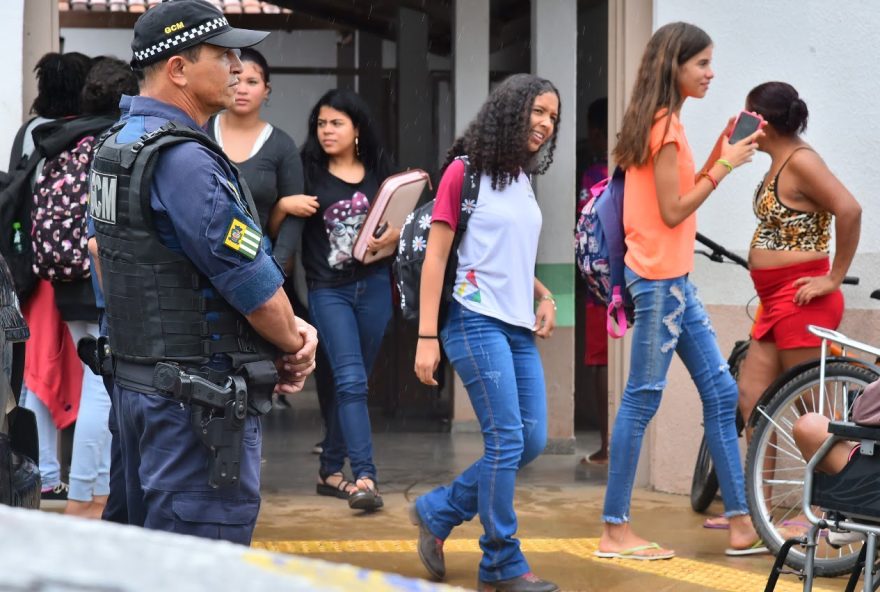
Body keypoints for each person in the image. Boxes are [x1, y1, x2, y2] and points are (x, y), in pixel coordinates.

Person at [91, 0, 316, 544]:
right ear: (178, 68)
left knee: (142, 559)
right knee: (197, 562)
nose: (238, 67)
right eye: (224, 54)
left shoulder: (116, 147)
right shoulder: (185, 160)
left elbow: (102, 256)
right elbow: (254, 286)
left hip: (138, 388)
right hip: (194, 409)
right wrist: (293, 341)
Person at [594, 22, 764, 560]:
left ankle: (740, 522)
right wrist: (724, 168)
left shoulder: (663, 122)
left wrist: (721, 149)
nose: (711, 74)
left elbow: (668, 197)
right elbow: (673, 211)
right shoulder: (663, 127)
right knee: (641, 402)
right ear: (675, 66)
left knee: (718, 394)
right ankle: (615, 530)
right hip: (661, 280)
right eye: (702, 64)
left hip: (672, 279)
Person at [412, 73, 561, 592]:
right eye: (538, 111)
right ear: (510, 110)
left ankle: (438, 509)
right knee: (505, 440)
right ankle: (500, 558)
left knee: (532, 439)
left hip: (517, 324)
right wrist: (427, 338)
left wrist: (544, 294)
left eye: (552, 118)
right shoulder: (463, 173)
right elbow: (437, 257)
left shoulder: (520, 179)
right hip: (473, 320)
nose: (545, 124)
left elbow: (506, 255)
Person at [270, 89, 396, 512]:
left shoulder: (381, 170)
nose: (327, 131)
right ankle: (365, 476)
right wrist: (283, 205)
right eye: (322, 123)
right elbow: (276, 225)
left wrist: (396, 234)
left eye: (336, 123)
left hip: (376, 285)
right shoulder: (306, 170)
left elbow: (403, 218)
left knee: (355, 383)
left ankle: (329, 469)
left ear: (357, 128)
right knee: (350, 380)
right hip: (329, 290)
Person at [50, 57, 138, 519]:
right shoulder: (118, 143)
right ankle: (86, 496)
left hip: (65, 280)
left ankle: (92, 491)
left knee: (95, 386)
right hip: (100, 284)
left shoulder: (64, 139)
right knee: (102, 390)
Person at [16, 51, 93, 504]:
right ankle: (81, 473)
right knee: (89, 366)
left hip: (35, 268)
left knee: (37, 367)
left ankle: (43, 471)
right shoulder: (94, 133)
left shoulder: (31, 133)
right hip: (82, 265)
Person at [577, 97, 610, 465]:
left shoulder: (592, 176)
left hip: (598, 288)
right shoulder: (626, 173)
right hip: (631, 280)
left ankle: (607, 445)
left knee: (602, 364)